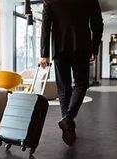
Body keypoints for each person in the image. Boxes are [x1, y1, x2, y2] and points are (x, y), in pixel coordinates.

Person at [39, 0, 104, 146]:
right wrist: (94, 48)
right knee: (81, 84)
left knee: (63, 88)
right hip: (82, 46)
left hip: (59, 47)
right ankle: (68, 119)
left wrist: (44, 53)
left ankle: (69, 127)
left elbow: (45, 26)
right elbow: (98, 25)